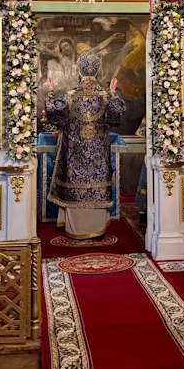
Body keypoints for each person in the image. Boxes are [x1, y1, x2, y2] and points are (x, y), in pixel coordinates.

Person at [45, 52, 126, 239]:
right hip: (99, 159)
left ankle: (76, 229)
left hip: (75, 157)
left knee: (74, 185)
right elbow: (118, 115)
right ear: (96, 72)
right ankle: (97, 228)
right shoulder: (104, 97)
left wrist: (51, 91)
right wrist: (113, 92)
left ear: (80, 72)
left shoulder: (70, 96)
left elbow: (52, 111)